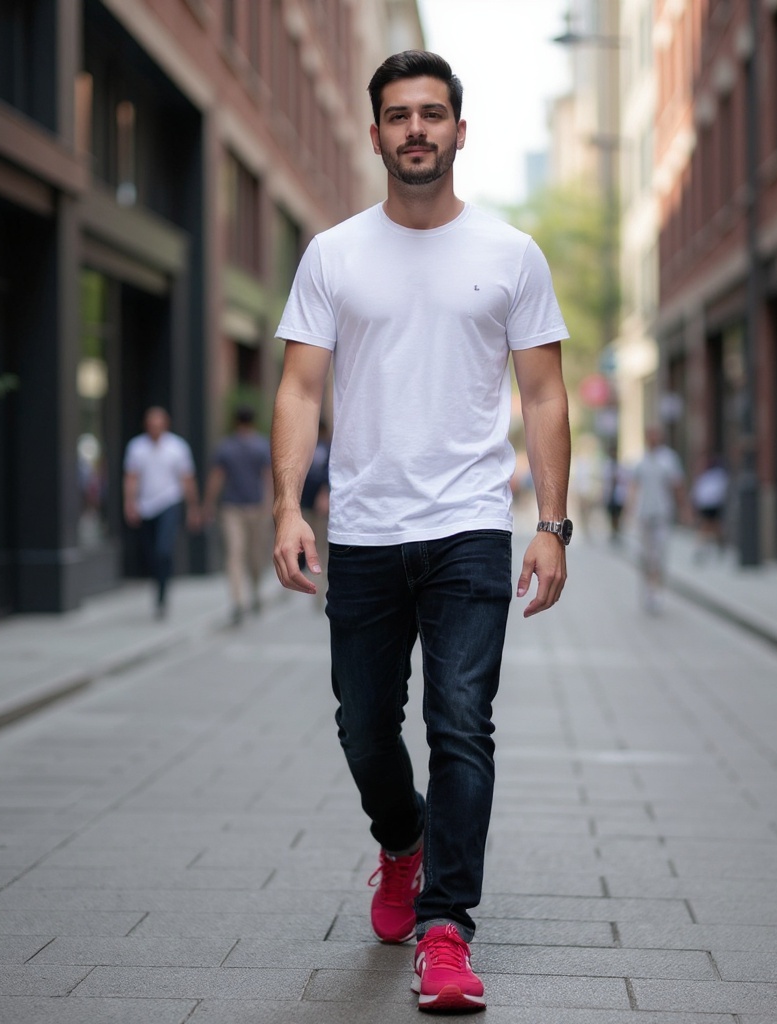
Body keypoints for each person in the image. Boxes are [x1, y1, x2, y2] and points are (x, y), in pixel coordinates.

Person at [270, 50, 571, 1013]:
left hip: (470, 528)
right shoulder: (333, 254)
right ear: (374, 135)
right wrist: (288, 507)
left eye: (432, 114)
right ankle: (402, 842)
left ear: (459, 131)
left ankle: (447, 930)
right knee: (363, 727)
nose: (415, 129)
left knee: (461, 725)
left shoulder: (511, 254)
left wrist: (552, 524)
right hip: (362, 529)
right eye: (399, 115)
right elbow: (300, 387)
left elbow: (545, 394)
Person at [123, 407, 200, 618]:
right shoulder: (137, 447)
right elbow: (131, 477)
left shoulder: (177, 447)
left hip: (169, 502)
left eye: (158, 425)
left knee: (163, 550)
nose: (155, 429)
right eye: (151, 425)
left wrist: (193, 507)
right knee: (151, 554)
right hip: (146, 507)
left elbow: (187, 478)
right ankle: (158, 584)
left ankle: (162, 595)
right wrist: (129, 503)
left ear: (165, 425)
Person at [203, 405, 273, 624]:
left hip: (233, 508)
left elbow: (216, 478)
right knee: (251, 554)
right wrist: (271, 505)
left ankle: (241, 599)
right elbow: (269, 478)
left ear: (235, 422)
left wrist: (208, 504)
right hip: (254, 508)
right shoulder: (262, 445)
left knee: (237, 554)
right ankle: (245, 597)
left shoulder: (226, 447)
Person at [627, 424, 686, 614]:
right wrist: (629, 511)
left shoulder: (669, 459)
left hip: (662, 515)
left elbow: (677, 485)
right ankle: (648, 589)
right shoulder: (640, 461)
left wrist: (684, 509)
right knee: (645, 555)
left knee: (659, 554)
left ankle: (657, 590)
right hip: (644, 515)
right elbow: (634, 487)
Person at [298, 421, 330, 609]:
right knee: (313, 549)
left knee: (319, 549)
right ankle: (315, 589)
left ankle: (319, 591)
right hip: (306, 504)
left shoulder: (327, 448)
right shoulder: (305, 447)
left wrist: (325, 493)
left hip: (320, 506)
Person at [690, 453, 728, 561]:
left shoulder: (716, 475)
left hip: (712, 504)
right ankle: (707, 547)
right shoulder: (706, 475)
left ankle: (717, 544)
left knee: (712, 526)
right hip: (707, 504)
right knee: (708, 526)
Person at [602, 447, 627, 545]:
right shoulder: (607, 466)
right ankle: (613, 531)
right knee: (611, 515)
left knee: (618, 515)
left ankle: (617, 531)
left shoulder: (620, 466)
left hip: (618, 496)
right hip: (610, 495)